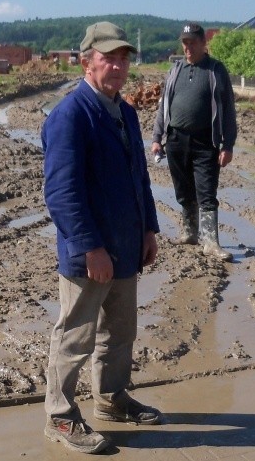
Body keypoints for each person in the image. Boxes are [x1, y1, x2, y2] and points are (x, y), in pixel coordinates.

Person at [42, 22, 162, 454]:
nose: (118, 65)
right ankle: (59, 415)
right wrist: (89, 247)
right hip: (89, 253)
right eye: (109, 57)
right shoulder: (70, 115)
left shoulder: (125, 111)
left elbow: (139, 178)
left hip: (127, 245)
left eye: (124, 57)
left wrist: (149, 228)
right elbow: (61, 193)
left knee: (119, 331)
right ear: (86, 61)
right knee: (75, 335)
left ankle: (111, 400)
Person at [152, 23, 237, 261]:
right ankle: (190, 232)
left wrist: (228, 145)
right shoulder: (175, 70)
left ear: (203, 43)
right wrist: (157, 138)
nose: (188, 47)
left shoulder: (215, 70)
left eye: (192, 43)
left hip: (205, 142)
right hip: (176, 139)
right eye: (185, 43)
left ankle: (210, 241)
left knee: (206, 191)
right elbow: (163, 106)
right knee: (183, 189)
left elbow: (229, 110)